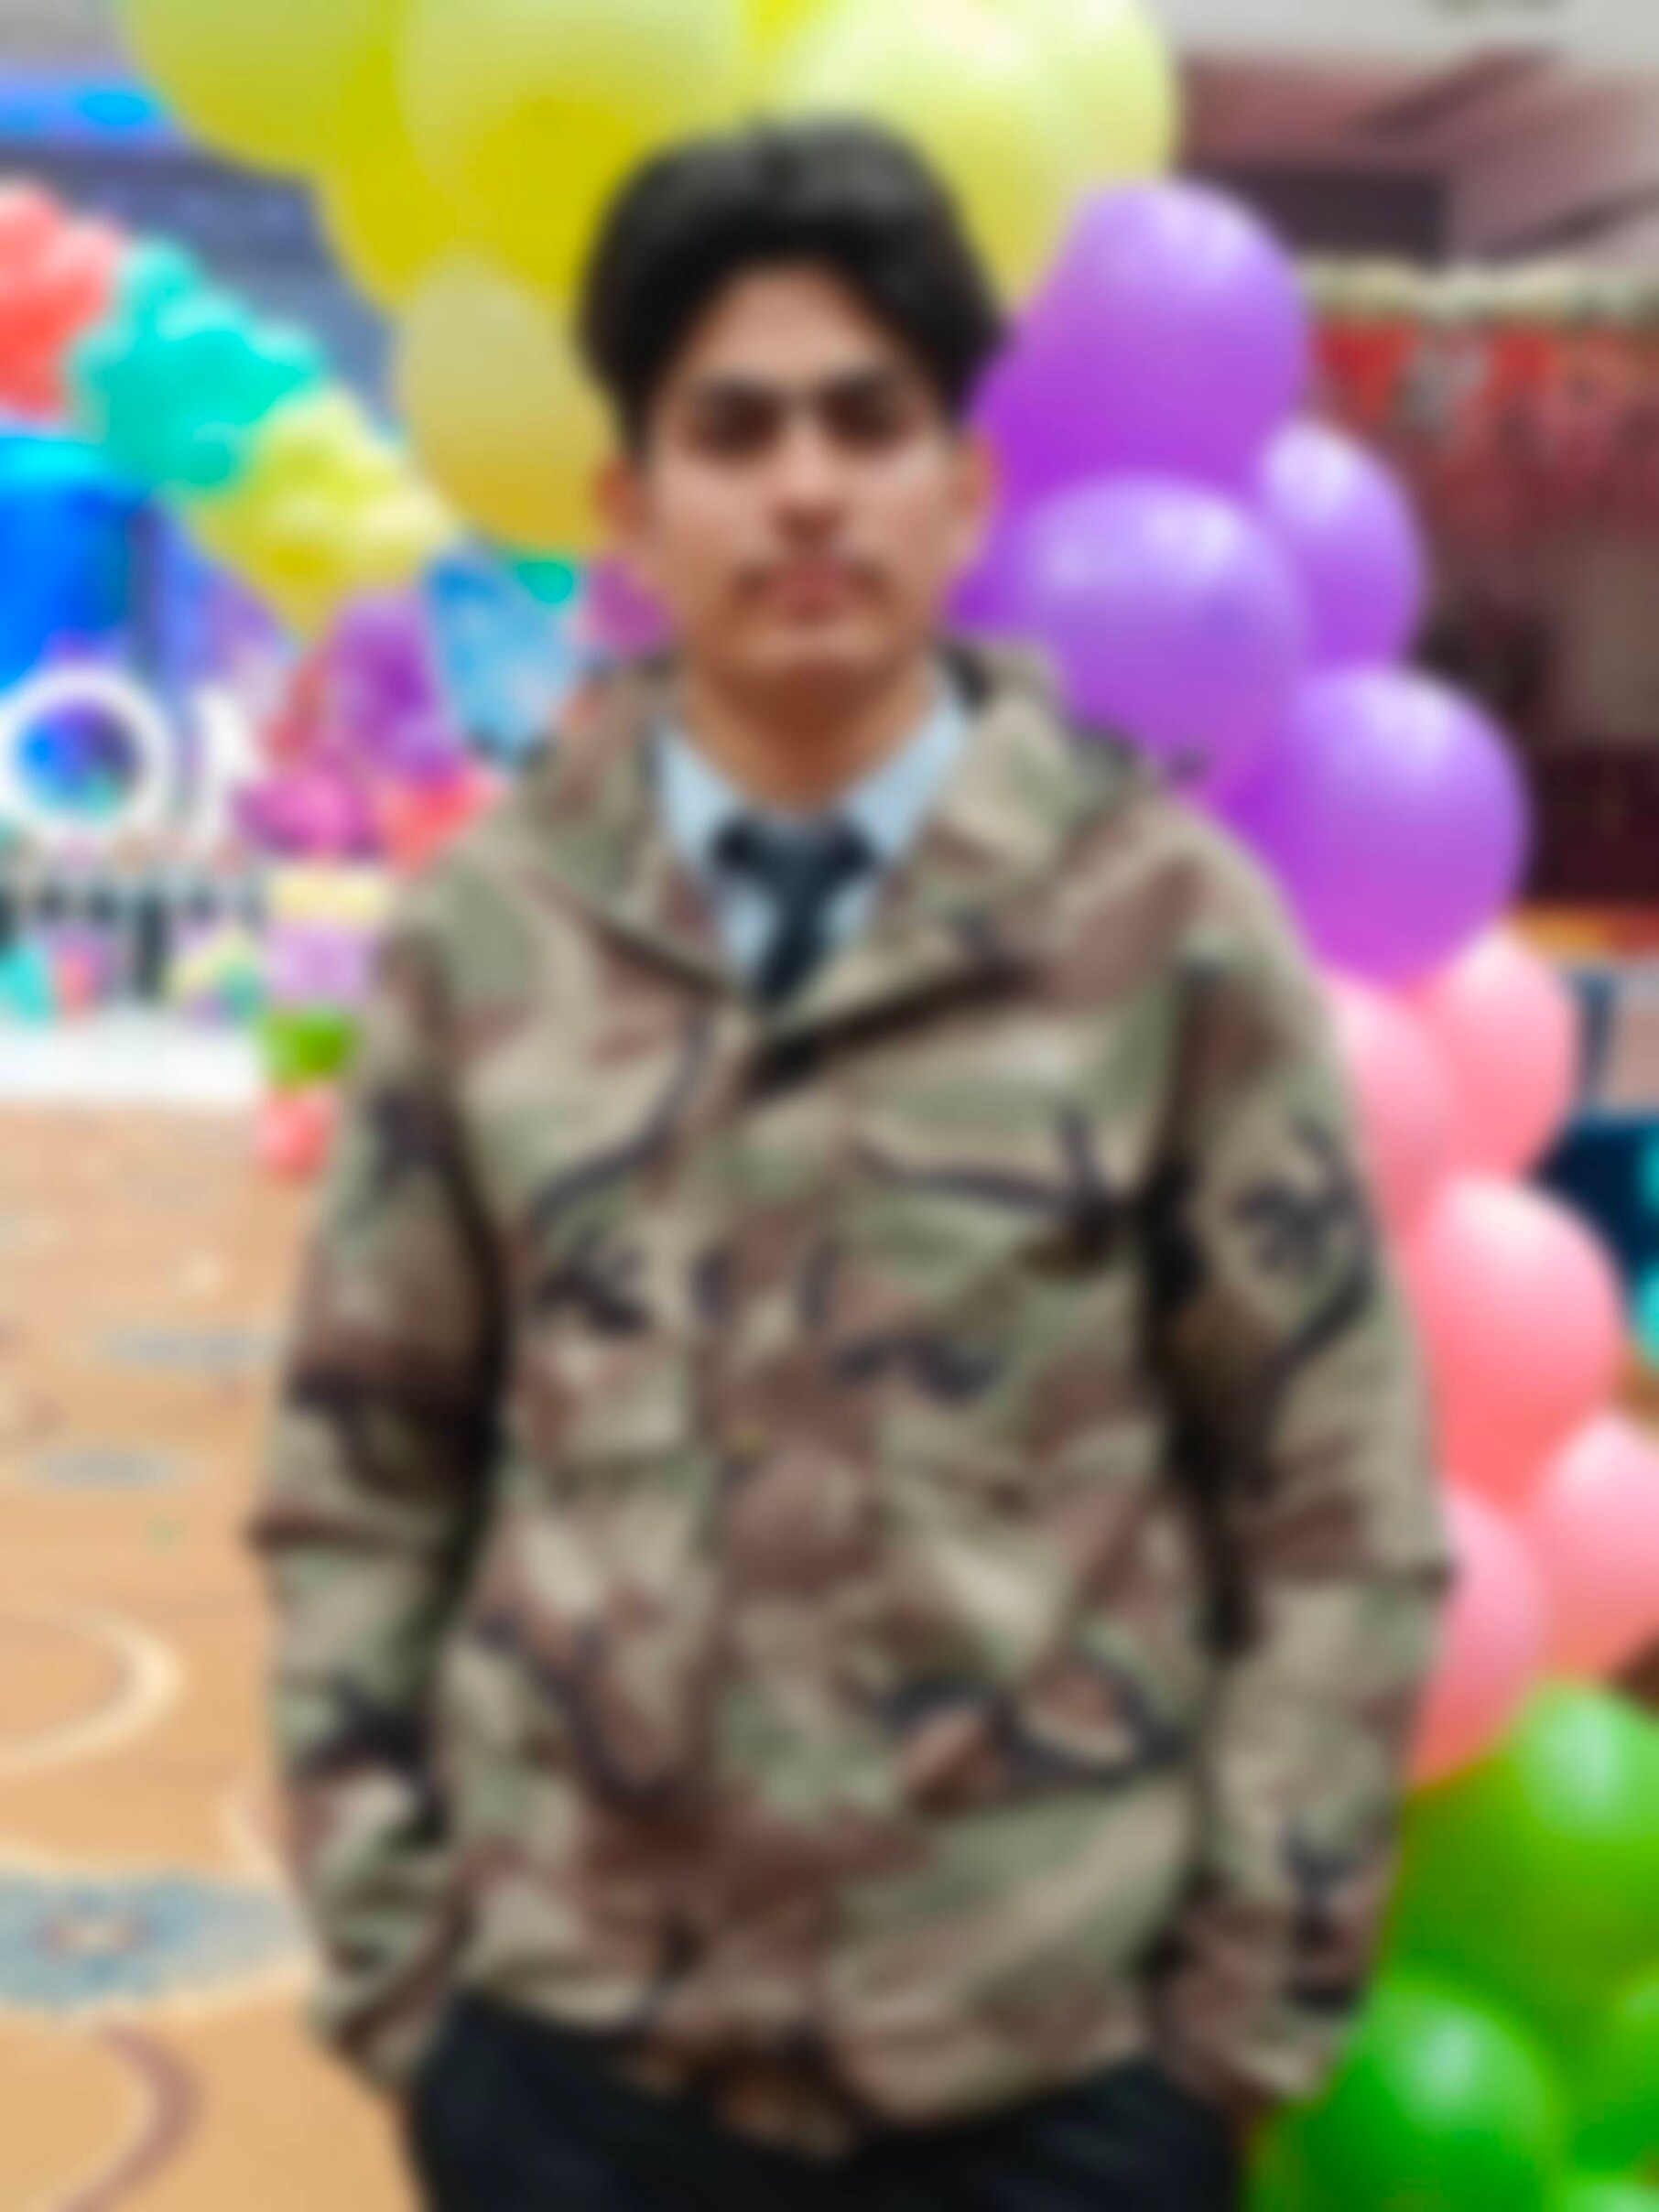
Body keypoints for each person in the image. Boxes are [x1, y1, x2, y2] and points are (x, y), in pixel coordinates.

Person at [245, 120, 1456, 2212]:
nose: (804, 485)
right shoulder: (487, 936)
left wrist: (1222, 2046)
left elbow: (1337, 1502)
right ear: (632, 507)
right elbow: (366, 1473)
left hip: (1052, 2082)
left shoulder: (1161, 926)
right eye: (732, 429)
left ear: (963, 488)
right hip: (574, 2073)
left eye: (864, 420)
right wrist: (409, 1990)